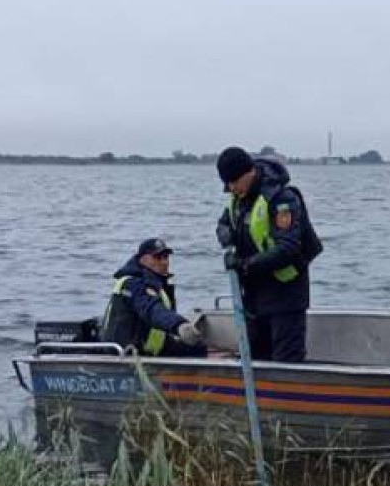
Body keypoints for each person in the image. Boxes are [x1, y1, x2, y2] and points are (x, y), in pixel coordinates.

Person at [214, 146, 319, 363]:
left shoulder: (282, 199)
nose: (232, 188)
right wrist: (224, 235)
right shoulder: (239, 199)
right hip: (253, 297)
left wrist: (245, 265)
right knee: (255, 360)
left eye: (235, 182)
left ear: (249, 172)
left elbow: (288, 247)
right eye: (228, 184)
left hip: (285, 297)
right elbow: (225, 222)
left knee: (285, 363)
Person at [99, 237, 206, 356]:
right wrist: (179, 325)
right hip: (128, 354)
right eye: (158, 257)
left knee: (199, 349)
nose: (164, 262)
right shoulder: (132, 284)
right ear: (143, 259)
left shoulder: (158, 284)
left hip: (151, 350)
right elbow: (152, 310)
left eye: (166, 257)